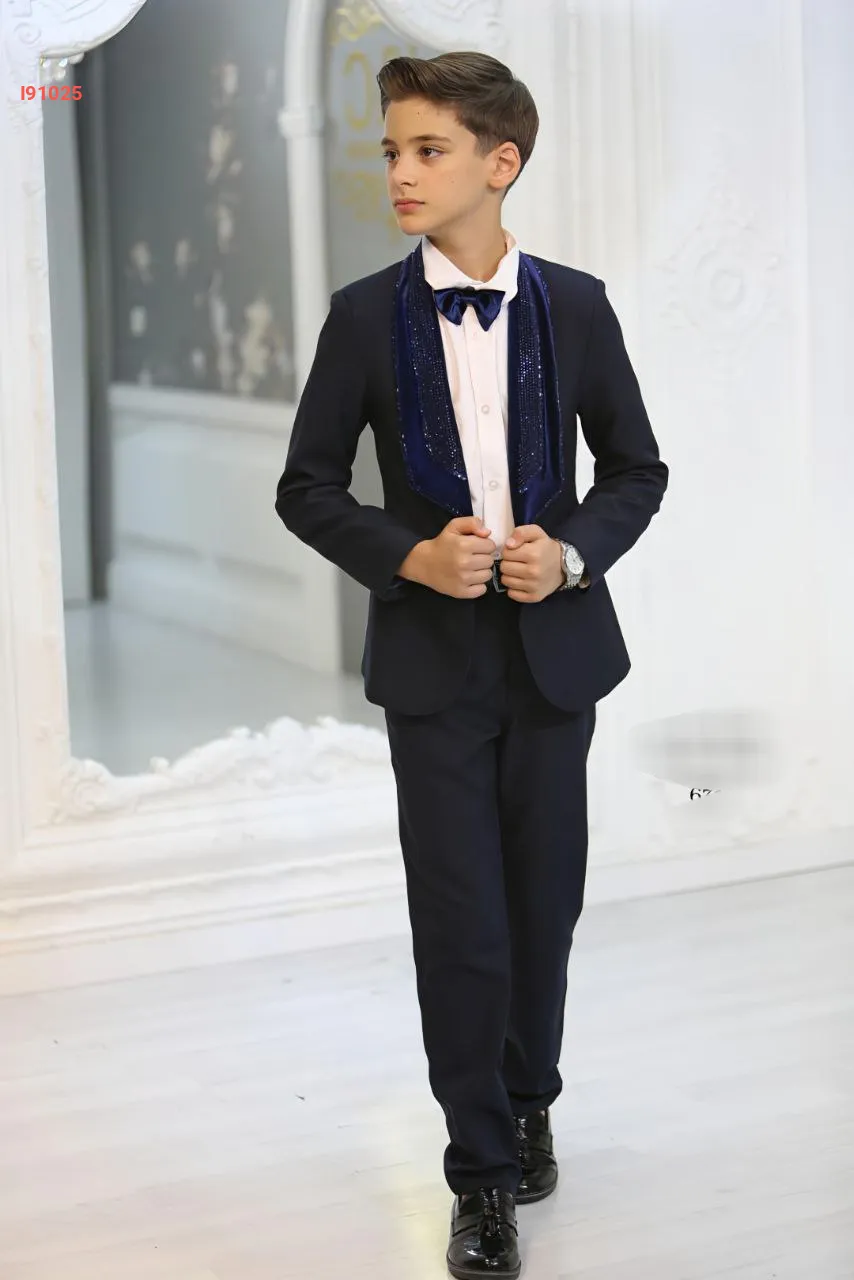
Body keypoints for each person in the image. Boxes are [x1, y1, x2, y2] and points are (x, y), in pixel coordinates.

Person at [275, 50, 668, 1280]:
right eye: (390, 150)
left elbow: (636, 469)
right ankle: (480, 1173)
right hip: (431, 666)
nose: (398, 171)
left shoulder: (578, 306)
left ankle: (528, 1097)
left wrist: (574, 553)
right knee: (459, 920)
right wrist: (406, 556)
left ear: (500, 164)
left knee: (542, 905)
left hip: (554, 661)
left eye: (426, 149)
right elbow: (304, 487)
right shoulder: (360, 317)